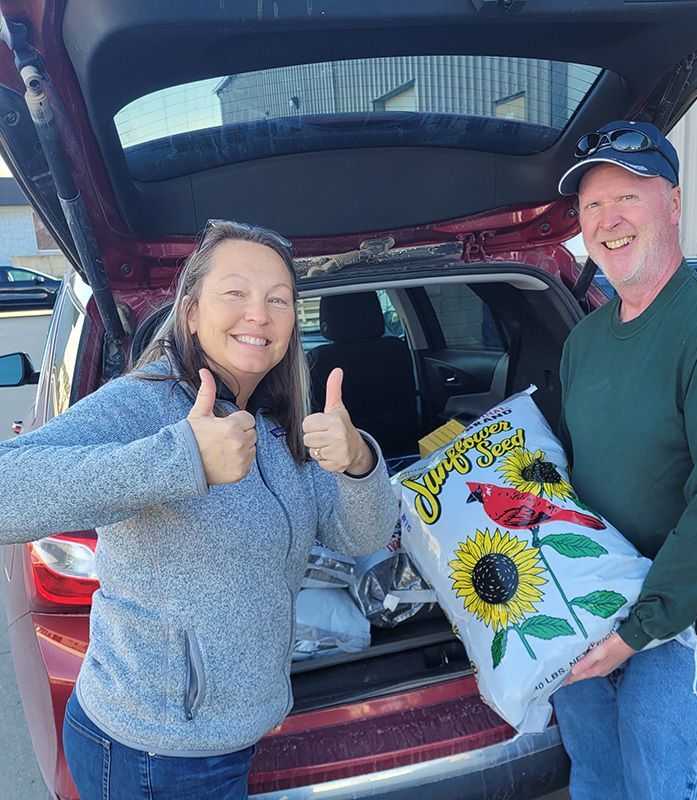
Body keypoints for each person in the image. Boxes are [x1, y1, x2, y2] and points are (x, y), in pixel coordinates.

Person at [0, 220, 398, 800]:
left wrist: (360, 460)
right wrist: (180, 458)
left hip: (231, 734)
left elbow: (362, 536)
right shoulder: (146, 403)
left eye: (278, 299)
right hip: (150, 753)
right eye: (234, 292)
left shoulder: (280, 421)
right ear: (189, 312)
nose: (258, 314)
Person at [552, 120, 697, 799]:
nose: (607, 221)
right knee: (596, 785)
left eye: (627, 198)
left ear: (673, 204)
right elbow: (568, 481)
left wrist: (637, 631)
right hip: (587, 622)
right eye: (591, 206)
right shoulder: (583, 342)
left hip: (671, 637)